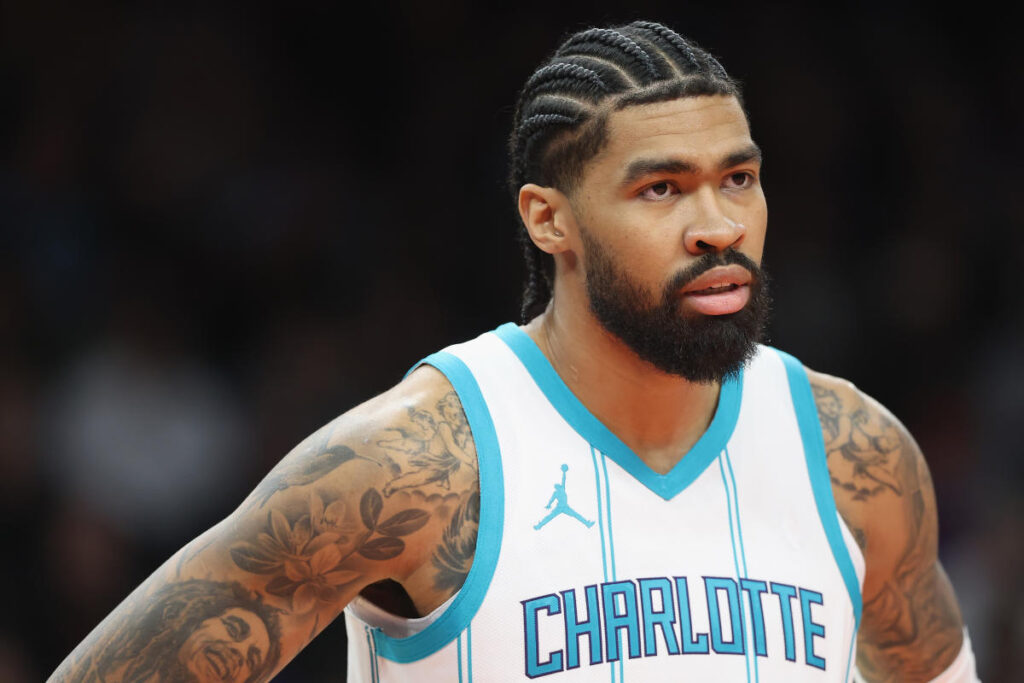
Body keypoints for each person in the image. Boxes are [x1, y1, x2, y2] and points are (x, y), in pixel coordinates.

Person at [52, 20, 978, 682]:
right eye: (661, 189)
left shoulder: (855, 454)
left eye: (738, 178)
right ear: (548, 219)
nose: (718, 225)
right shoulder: (415, 464)